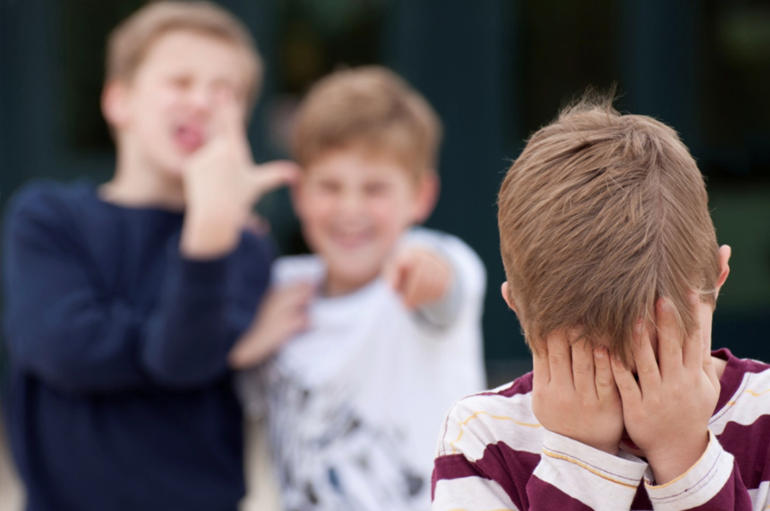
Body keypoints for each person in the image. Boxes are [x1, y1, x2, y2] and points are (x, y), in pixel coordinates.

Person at [2, 2, 296, 510]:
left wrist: (209, 228)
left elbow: (180, 361)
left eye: (225, 92)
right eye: (180, 82)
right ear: (119, 101)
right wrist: (219, 349)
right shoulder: (47, 217)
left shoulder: (243, 246)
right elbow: (62, 347)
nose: (202, 102)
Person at [431, 97, 770, 510]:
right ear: (518, 308)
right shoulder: (483, 440)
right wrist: (581, 457)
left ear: (716, 280)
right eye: (594, 360)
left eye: (660, 349)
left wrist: (683, 454)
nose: (637, 397)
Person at [232, 66, 487, 510]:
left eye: (375, 189)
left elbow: (448, 287)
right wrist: (245, 344)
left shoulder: (430, 257)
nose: (351, 209)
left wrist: (426, 273)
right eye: (330, 186)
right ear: (299, 194)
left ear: (421, 196)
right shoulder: (279, 289)